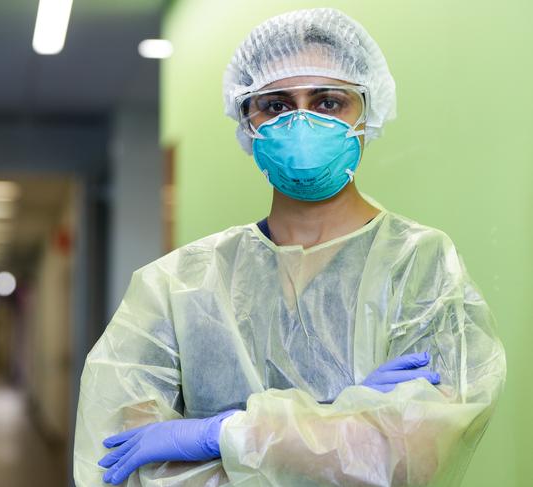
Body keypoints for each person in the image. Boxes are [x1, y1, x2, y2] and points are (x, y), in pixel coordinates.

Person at [74, 8, 506, 487]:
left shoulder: (420, 268)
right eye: (277, 106)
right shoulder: (177, 286)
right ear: (246, 119)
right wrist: (343, 422)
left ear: (368, 111)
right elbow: (119, 460)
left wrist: (223, 433)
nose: (301, 123)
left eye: (327, 102)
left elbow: (411, 458)